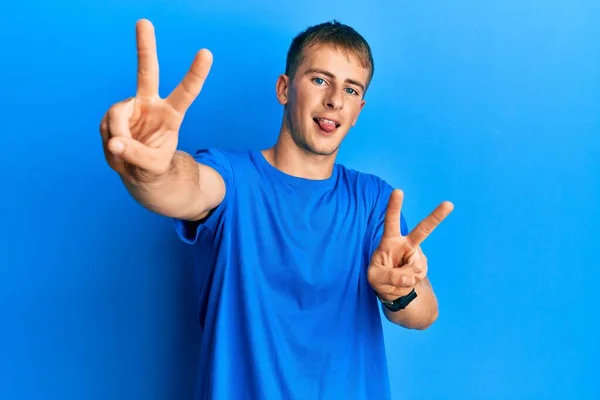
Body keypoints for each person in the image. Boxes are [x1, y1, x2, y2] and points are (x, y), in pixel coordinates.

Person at [100, 18, 453, 400]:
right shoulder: (232, 179)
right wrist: (150, 168)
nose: (334, 99)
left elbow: (424, 313)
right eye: (320, 80)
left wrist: (398, 291)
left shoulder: (374, 203)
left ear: (359, 108)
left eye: (351, 89)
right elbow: (182, 185)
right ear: (284, 88)